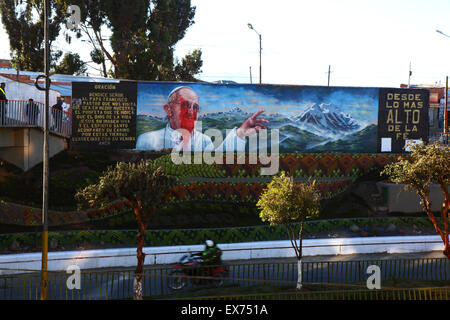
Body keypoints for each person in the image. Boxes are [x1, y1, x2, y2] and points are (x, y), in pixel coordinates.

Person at [135, 86, 269, 152]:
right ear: (168, 109)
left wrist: (240, 133)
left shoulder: (204, 141)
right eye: (185, 105)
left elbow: (216, 159)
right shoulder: (147, 140)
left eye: (195, 107)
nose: (191, 112)